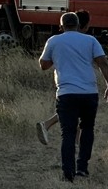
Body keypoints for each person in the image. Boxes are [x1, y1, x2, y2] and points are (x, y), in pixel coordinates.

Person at [39, 11, 108, 182]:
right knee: (87, 128)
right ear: (79, 25)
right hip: (89, 93)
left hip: (66, 93)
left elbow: (43, 65)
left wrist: (56, 59)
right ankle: (82, 168)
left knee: (68, 133)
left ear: (61, 26)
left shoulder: (54, 41)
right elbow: (103, 62)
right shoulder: (90, 40)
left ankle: (68, 173)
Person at [37, 10, 93, 145]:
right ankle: (47, 125)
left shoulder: (58, 40)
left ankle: (75, 142)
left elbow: (44, 64)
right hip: (77, 83)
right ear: (82, 26)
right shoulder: (84, 41)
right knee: (73, 111)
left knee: (73, 112)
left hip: (62, 81)